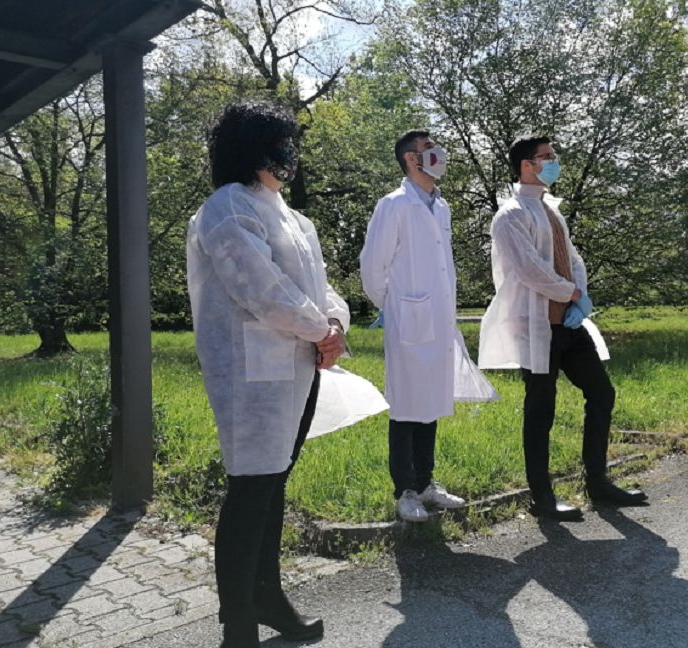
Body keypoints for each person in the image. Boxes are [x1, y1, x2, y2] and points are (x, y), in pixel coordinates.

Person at [186, 100, 348, 648]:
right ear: (251, 148)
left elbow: (321, 288)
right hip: (250, 373)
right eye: (280, 143)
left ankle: (267, 596)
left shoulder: (296, 220)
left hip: (298, 367)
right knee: (251, 489)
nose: (289, 154)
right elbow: (261, 287)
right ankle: (238, 624)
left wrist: (334, 324)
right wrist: (321, 330)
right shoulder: (227, 207)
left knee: (274, 484)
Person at [478, 134, 648, 521]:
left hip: (568, 323)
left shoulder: (551, 210)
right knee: (541, 408)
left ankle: (598, 483)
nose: (554, 162)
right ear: (526, 165)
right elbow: (529, 269)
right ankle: (542, 496)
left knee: (602, 393)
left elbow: (573, 260)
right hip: (536, 324)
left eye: (554, 155)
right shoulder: (510, 215)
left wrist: (580, 295)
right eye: (547, 156)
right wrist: (571, 293)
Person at [360, 130, 498, 523]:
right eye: (428, 148)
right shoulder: (394, 205)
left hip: (437, 320)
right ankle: (404, 491)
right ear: (410, 159)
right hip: (408, 319)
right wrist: (393, 306)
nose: (438, 152)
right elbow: (372, 266)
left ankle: (425, 484)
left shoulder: (441, 206)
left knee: (431, 403)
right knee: (406, 406)